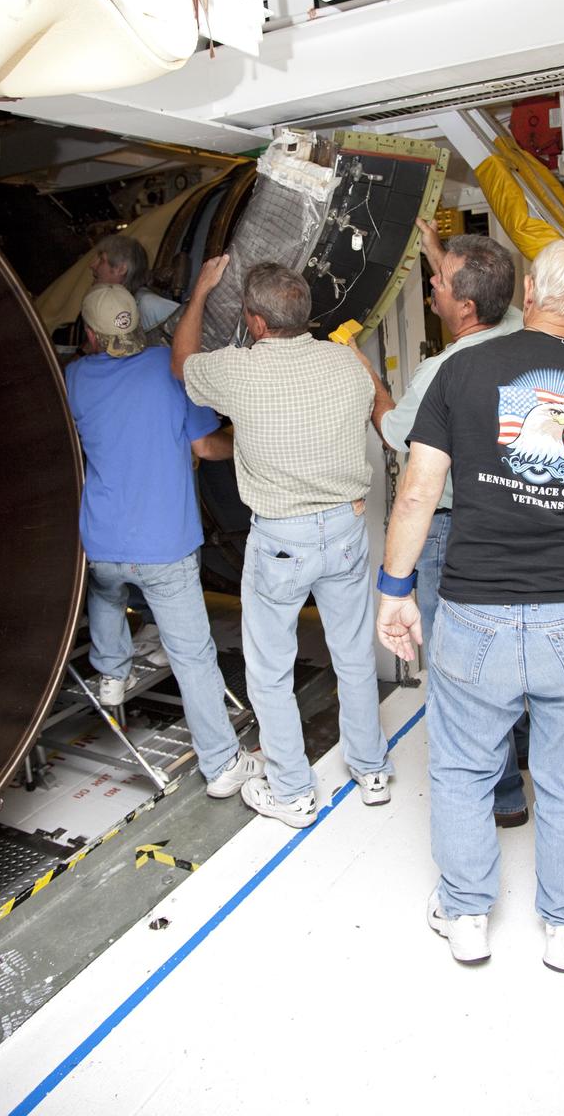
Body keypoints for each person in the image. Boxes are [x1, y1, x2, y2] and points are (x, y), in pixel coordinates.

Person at [375, 235, 564, 972]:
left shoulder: (462, 371)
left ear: (533, 290)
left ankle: (465, 914)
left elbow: (416, 491)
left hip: (473, 612)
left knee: (458, 768)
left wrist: (395, 590)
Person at [171, 258, 392, 829]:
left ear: (257, 323)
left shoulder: (240, 371)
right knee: (353, 654)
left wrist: (198, 295)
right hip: (346, 530)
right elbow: (378, 411)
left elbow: (182, 365)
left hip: (282, 540)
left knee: (270, 670)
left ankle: (293, 792)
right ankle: (371, 770)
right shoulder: (347, 363)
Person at [349, 219, 529, 826]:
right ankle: (521, 746)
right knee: (511, 644)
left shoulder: (437, 375)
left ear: (466, 305)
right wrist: (436, 250)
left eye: (442, 281)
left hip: (452, 532)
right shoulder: (522, 336)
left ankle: (501, 794)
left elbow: (394, 433)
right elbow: (490, 304)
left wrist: (363, 371)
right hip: (512, 519)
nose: (432, 282)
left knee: (466, 670)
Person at [65, 283, 262, 799]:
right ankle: (221, 766)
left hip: (103, 544)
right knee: (192, 656)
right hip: (165, 547)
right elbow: (206, 445)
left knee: (106, 594)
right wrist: (248, 440)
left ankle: (111, 672)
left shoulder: (76, 377)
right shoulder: (166, 371)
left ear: (89, 333)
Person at [90, 234, 179, 336]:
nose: (92, 265)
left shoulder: (150, 305)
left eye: (101, 260)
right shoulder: (121, 306)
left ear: (121, 269)